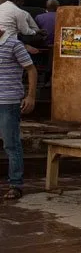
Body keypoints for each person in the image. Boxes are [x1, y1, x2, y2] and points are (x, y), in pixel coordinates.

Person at [0, 29, 36, 199]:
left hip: (9, 102)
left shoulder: (14, 44)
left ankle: (16, 184)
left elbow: (31, 69)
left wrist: (31, 96)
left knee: (11, 144)